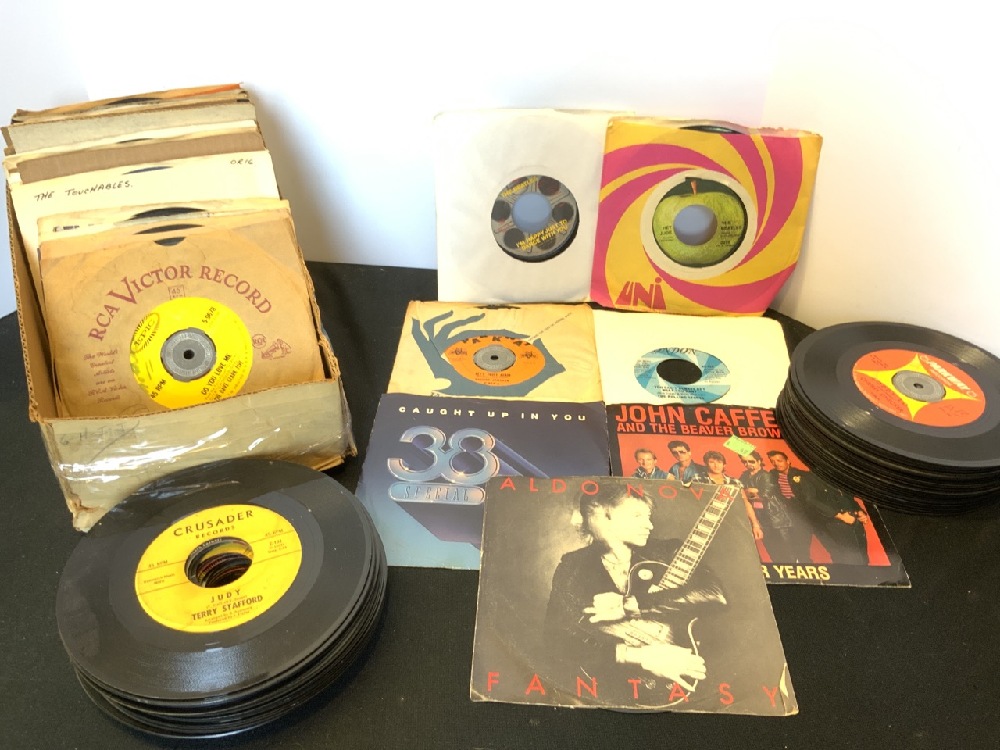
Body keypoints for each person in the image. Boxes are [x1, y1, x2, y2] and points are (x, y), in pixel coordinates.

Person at [544, 483, 727, 705]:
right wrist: (637, 655)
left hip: (685, 677)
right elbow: (556, 640)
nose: (649, 525)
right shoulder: (573, 566)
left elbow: (714, 594)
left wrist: (630, 605)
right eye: (637, 515)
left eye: (648, 516)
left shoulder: (668, 551)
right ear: (604, 515)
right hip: (606, 686)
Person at [766, 450, 869, 564]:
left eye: (779, 460)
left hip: (822, 517)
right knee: (804, 551)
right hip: (802, 518)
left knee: (845, 552)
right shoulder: (772, 476)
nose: (776, 463)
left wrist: (857, 511)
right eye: (773, 461)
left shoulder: (803, 476)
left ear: (788, 461)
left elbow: (834, 496)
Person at [693, 451, 763, 542]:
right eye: (712, 462)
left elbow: (745, 503)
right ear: (706, 464)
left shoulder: (734, 482)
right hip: (706, 524)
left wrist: (755, 525)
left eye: (719, 462)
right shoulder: (698, 479)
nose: (716, 465)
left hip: (731, 524)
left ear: (724, 465)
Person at [738, 451, 795, 562]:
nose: (748, 464)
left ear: (759, 461)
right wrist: (751, 492)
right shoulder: (745, 476)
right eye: (745, 462)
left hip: (777, 520)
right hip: (761, 520)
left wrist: (748, 493)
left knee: (787, 554)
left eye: (751, 461)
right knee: (773, 553)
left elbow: (764, 496)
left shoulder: (766, 475)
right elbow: (739, 493)